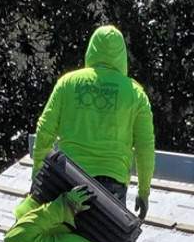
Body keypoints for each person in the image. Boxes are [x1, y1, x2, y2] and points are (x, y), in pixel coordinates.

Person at [31, 23, 156, 224]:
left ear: (91, 49)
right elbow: (144, 147)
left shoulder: (68, 82)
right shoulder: (135, 94)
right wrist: (144, 191)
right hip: (111, 185)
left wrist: (38, 173)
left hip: (69, 177)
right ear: (122, 56)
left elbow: (44, 129)